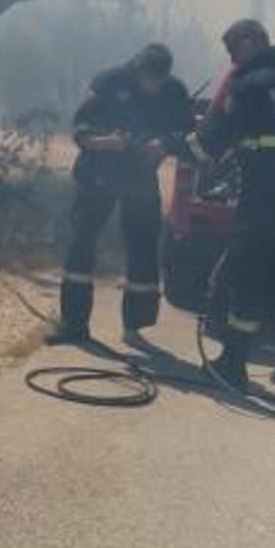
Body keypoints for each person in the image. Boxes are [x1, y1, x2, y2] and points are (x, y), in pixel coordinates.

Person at [186, 19, 275, 398]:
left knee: (247, 281)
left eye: (233, 50)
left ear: (251, 42)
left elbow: (210, 143)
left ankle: (232, 368)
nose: (232, 59)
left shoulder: (249, 86)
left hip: (263, 202)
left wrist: (172, 142)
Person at [55, 43, 194, 344]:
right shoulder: (109, 81)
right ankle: (73, 325)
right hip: (98, 174)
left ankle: (135, 327)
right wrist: (104, 141)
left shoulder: (174, 92)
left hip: (140, 178)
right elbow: (81, 128)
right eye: (148, 79)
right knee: (83, 243)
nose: (152, 87)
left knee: (143, 247)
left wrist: (165, 144)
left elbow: (187, 132)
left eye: (158, 81)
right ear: (137, 69)